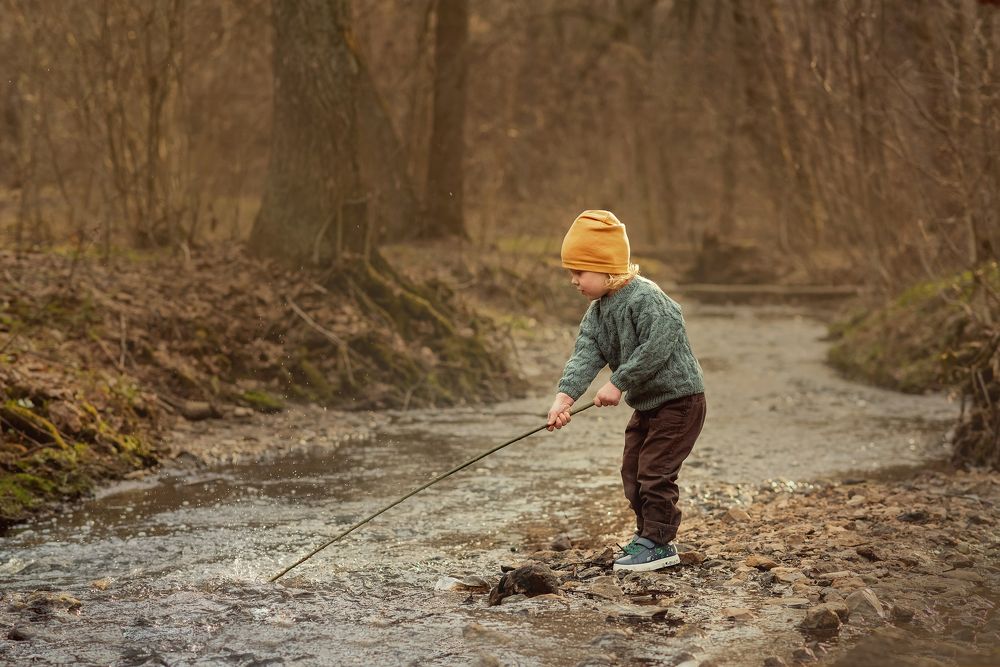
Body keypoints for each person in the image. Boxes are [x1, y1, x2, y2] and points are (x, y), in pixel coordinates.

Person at [546, 210, 706, 572]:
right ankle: (646, 536)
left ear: (607, 269)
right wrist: (564, 398)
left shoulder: (645, 298)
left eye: (579, 272)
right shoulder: (597, 312)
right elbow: (585, 355)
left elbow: (659, 344)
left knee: (655, 471)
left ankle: (661, 544)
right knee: (632, 471)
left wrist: (618, 382)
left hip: (680, 401)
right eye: (570, 272)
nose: (573, 280)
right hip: (649, 404)